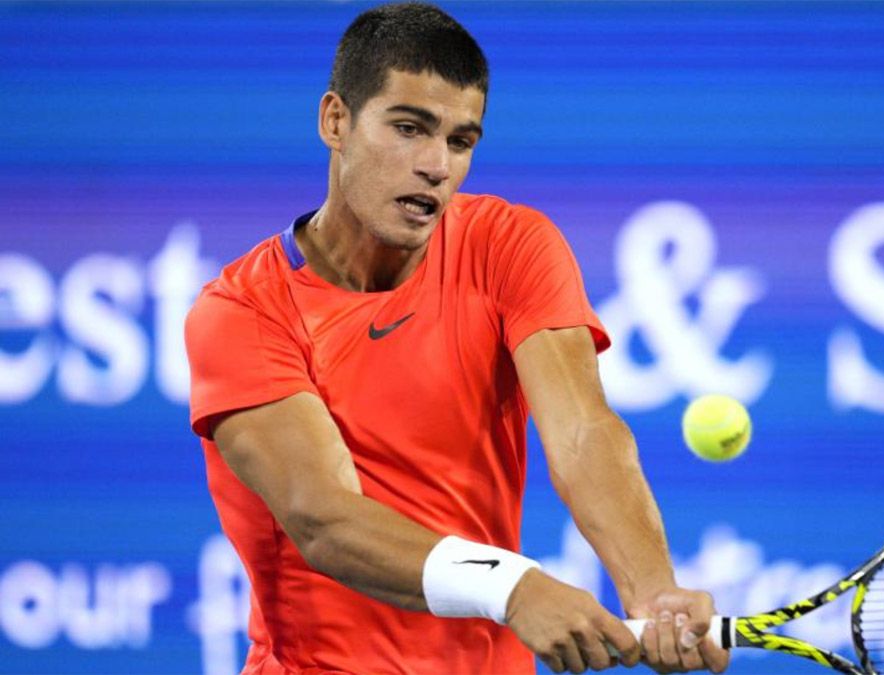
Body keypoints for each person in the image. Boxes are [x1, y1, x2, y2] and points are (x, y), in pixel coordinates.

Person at [184, 3, 729, 674]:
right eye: (409, 128)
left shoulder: (510, 244)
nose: (436, 166)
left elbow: (584, 430)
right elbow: (323, 516)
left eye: (461, 140)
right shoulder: (241, 311)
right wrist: (512, 585)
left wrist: (653, 592)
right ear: (336, 121)